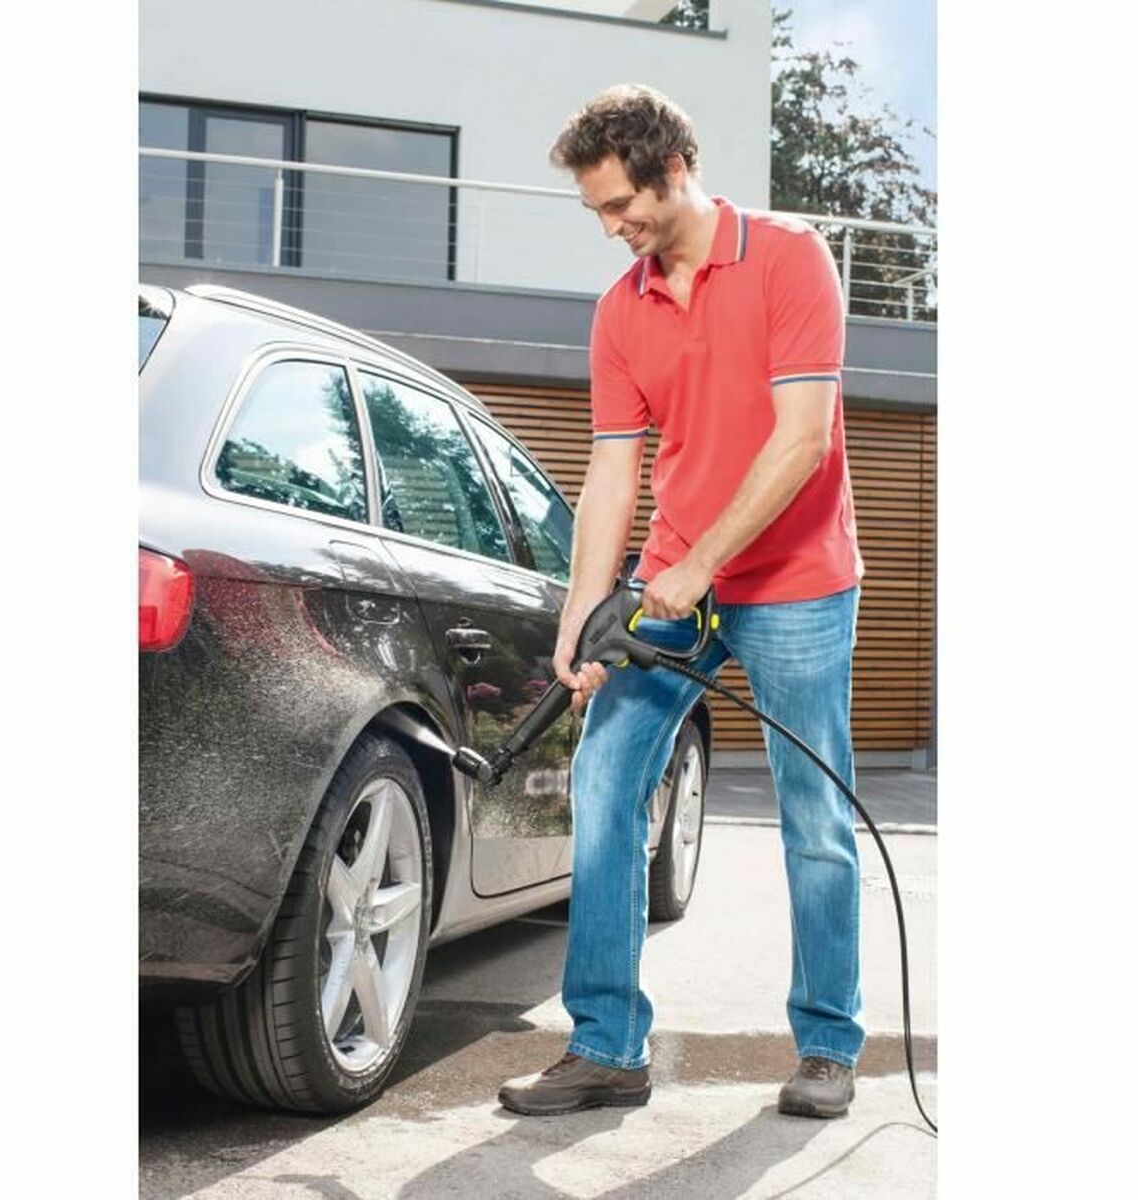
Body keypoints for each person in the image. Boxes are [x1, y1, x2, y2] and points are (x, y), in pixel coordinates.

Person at [498, 84, 866, 1120]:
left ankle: (828, 1047)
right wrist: (581, 613)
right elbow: (613, 470)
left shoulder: (790, 257)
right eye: (596, 212)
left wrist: (701, 564)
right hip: (671, 581)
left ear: (672, 171)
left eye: (620, 205)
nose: (611, 229)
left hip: (796, 581)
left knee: (815, 816)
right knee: (605, 781)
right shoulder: (621, 309)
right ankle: (607, 1045)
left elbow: (803, 439)